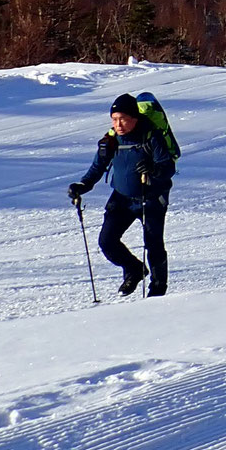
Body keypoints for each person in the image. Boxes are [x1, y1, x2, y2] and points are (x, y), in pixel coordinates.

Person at [69, 92, 175, 297]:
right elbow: (97, 168)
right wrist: (82, 185)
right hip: (121, 198)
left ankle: (158, 288)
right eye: (115, 119)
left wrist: (154, 170)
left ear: (134, 118)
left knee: (153, 244)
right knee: (107, 241)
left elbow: (168, 167)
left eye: (123, 119)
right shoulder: (110, 140)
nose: (119, 124)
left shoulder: (152, 136)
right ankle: (134, 270)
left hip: (151, 198)